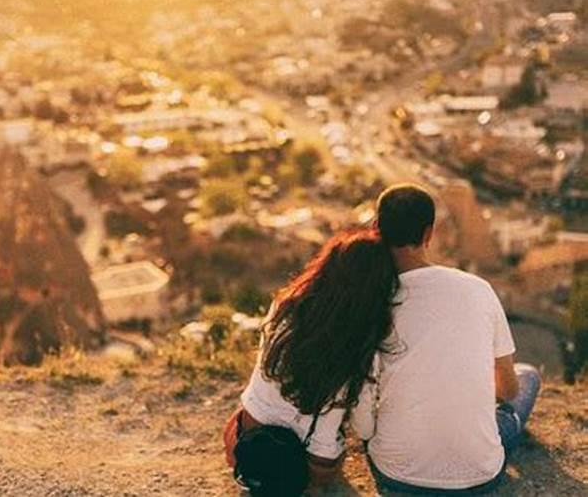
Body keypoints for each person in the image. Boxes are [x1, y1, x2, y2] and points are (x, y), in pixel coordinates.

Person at [352, 184, 542, 495]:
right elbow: (508, 390)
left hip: (396, 474)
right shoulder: (478, 289)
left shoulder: (372, 303)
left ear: (377, 229)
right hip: (479, 475)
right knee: (527, 376)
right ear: (428, 234)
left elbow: (362, 423)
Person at [223, 229, 400, 495]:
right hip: (312, 459)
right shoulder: (360, 342)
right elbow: (363, 426)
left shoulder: (284, 306)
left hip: (248, 440)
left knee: (240, 417)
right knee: (333, 450)